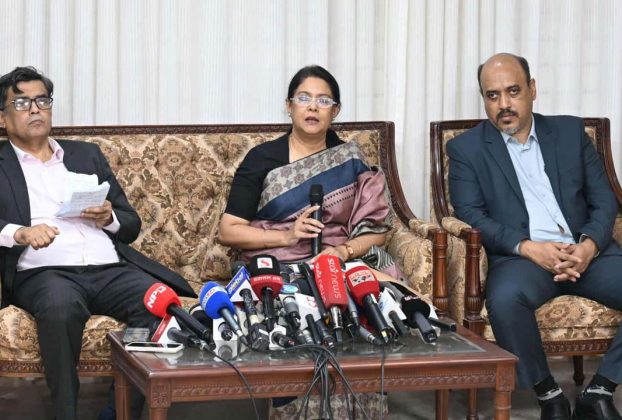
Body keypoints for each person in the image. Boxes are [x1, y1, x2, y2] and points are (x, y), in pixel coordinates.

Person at [0, 66, 196, 420]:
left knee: (157, 306)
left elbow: (130, 223)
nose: (35, 109)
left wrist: (110, 217)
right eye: (22, 103)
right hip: (46, 273)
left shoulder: (85, 154)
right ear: (3, 117)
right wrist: (21, 233)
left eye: (42, 100)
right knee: (60, 308)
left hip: (109, 270)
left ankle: (118, 411)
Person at [447, 53, 622, 420]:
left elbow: (604, 199)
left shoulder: (570, 133)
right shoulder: (466, 149)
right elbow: (471, 214)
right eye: (492, 95)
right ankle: (549, 394)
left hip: (586, 252)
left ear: (532, 89)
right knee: (505, 300)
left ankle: (600, 390)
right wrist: (528, 248)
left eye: (513, 91)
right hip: (523, 259)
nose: (504, 104)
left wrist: (589, 246)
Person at [219, 65, 395, 418]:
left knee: (369, 299)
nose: (313, 107)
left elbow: (379, 228)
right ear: (289, 106)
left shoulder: (351, 160)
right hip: (277, 265)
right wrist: (287, 235)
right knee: (292, 311)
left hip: (338, 261)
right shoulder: (262, 159)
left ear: (336, 110)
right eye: (304, 98)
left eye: (323, 100)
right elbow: (229, 230)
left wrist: (341, 251)